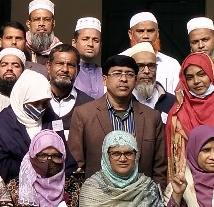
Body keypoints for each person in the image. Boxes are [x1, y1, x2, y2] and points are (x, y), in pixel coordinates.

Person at [68, 54, 169, 187]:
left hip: (141, 195)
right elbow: (76, 164)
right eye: (117, 73)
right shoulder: (84, 114)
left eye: (129, 74)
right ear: (104, 79)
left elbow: (160, 167)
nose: (123, 79)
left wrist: (155, 194)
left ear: (136, 80)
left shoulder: (151, 117)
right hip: (99, 195)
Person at [0, 70, 55, 182]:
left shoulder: (50, 117)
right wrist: (33, 170)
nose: (40, 108)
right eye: (35, 103)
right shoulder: (2, 123)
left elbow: (62, 154)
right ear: (22, 98)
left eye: (44, 103)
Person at [44, 44, 93, 141]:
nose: (65, 69)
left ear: (78, 70)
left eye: (71, 65)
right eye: (60, 63)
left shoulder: (89, 105)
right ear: (48, 66)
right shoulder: (34, 101)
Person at [127, 12, 180, 93]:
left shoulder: (172, 64)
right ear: (130, 34)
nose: (145, 36)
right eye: (140, 31)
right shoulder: (120, 61)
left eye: (150, 31)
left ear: (157, 34)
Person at [125, 42, 177, 118]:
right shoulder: (123, 101)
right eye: (140, 66)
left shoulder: (172, 102)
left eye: (151, 66)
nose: (146, 71)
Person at [71, 17, 104, 100]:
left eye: (96, 40)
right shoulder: (68, 72)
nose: (90, 44)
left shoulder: (105, 74)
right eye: (85, 39)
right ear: (74, 43)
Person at [25, 0, 60, 67]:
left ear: (53, 23)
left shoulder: (59, 51)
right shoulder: (22, 48)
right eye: (36, 19)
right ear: (28, 24)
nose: (41, 24)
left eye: (46, 19)